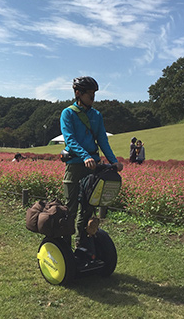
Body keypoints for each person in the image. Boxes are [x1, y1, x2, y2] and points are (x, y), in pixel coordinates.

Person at [60, 76, 123, 247]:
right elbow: (70, 140)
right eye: (89, 94)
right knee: (70, 207)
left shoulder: (96, 115)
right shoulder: (68, 113)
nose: (93, 97)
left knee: (88, 207)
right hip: (75, 163)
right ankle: (65, 244)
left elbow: (102, 140)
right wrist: (84, 156)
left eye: (94, 93)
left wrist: (114, 161)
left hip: (93, 164)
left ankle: (82, 242)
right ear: (78, 93)